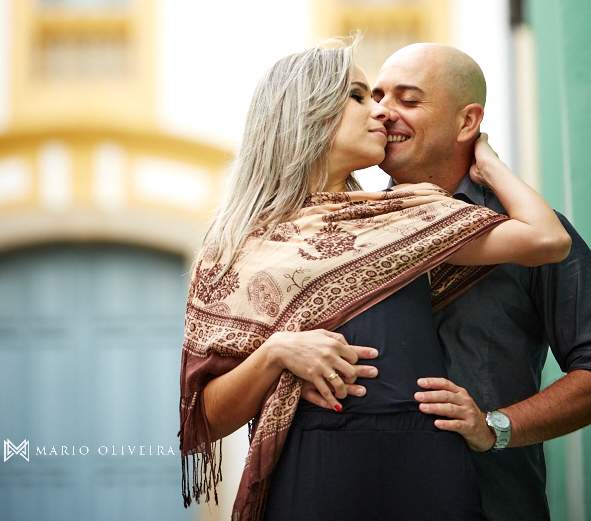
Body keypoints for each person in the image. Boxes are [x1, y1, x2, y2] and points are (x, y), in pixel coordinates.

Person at [179, 40, 570, 521]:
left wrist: (488, 164)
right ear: (310, 115)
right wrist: (276, 353)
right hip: (318, 470)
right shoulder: (234, 247)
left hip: (432, 471)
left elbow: (547, 238)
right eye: (363, 96)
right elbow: (203, 418)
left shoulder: (408, 218)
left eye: (400, 100)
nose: (382, 113)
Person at [372, 43, 591, 521]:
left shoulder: (532, 234)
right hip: (368, 495)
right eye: (377, 96)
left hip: (493, 502)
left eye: (408, 100)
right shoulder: (353, 232)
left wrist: (496, 426)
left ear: (467, 122)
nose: (383, 113)